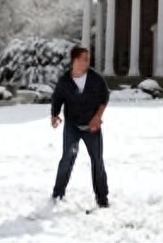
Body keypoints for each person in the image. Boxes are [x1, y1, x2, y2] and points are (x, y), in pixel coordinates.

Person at [50, 46, 110, 208]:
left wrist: (98, 117)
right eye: (84, 59)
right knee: (67, 158)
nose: (87, 62)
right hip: (72, 126)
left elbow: (104, 98)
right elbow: (57, 98)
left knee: (97, 161)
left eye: (88, 59)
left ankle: (102, 198)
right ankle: (58, 193)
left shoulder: (95, 79)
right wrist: (55, 115)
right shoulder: (65, 81)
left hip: (92, 127)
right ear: (74, 60)